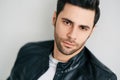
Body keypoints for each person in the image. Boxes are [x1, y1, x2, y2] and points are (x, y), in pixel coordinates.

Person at [7, 0, 117, 80]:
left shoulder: (104, 78)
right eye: (67, 22)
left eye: (83, 28)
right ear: (54, 19)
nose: (72, 35)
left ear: (91, 31)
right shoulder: (28, 52)